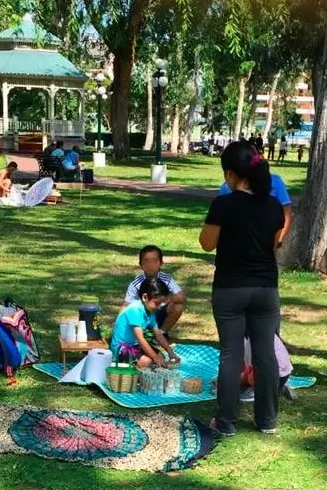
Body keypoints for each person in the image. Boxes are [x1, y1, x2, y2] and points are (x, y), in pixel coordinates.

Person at [200, 142, 284, 436]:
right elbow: (273, 244)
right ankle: (267, 420)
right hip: (265, 288)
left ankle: (226, 422)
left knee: (230, 353)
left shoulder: (224, 204)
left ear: (233, 174)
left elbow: (207, 243)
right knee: (265, 354)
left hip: (230, 288)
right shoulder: (274, 206)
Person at [218, 160, 292, 249]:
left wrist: (278, 241)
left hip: (264, 246)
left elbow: (287, 213)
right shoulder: (227, 188)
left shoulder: (276, 184)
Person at [111, 276, 179, 368]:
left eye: (162, 304)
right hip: (122, 348)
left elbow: (158, 334)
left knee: (161, 357)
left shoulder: (150, 311)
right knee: (146, 361)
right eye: (157, 303)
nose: (159, 307)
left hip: (134, 346)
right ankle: (134, 376)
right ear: (145, 297)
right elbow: (140, 339)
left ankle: (145, 372)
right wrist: (154, 358)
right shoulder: (135, 310)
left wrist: (171, 353)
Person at [124, 245, 186, 338]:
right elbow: (126, 306)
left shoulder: (166, 279)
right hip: (142, 316)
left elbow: (181, 297)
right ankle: (142, 335)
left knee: (178, 306)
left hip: (159, 314)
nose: (151, 265)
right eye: (147, 261)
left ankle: (161, 333)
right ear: (141, 264)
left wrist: (163, 299)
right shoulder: (136, 284)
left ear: (161, 263)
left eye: (154, 261)